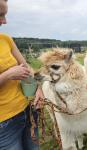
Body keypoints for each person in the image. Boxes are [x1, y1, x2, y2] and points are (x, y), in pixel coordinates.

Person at [0, 0, 44, 149]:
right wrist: (7, 75)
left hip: (28, 110)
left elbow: (26, 67)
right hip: (4, 124)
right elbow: (13, 72)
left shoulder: (6, 39)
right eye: (0, 15)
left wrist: (38, 88)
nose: (5, 21)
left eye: (5, 15)